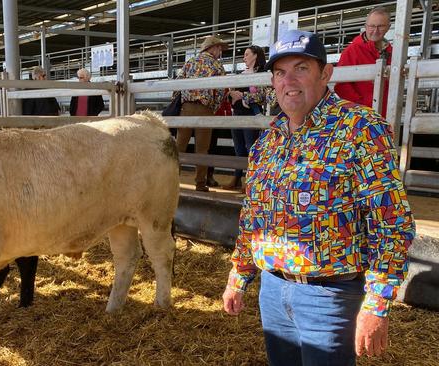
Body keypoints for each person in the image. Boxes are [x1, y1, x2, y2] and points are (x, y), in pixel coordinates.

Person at [222, 30, 415, 366]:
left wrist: (377, 303)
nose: (289, 80)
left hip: (329, 296)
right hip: (271, 289)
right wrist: (238, 277)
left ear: (326, 74)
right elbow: (252, 217)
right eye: (280, 72)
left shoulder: (360, 128)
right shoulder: (267, 142)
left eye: (301, 68)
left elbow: (392, 222)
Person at [176, 35, 228, 192]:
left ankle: (172, 179)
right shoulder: (217, 65)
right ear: (212, 48)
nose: (220, 51)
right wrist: (213, 107)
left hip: (186, 108)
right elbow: (221, 91)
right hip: (205, 109)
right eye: (219, 48)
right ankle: (200, 183)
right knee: (202, 148)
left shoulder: (190, 62)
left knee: (180, 146)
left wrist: (180, 103)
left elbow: (178, 83)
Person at [223, 45, 268, 191]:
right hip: (237, 112)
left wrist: (242, 95)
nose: (244, 57)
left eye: (247, 54)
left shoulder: (262, 73)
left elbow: (263, 96)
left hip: (250, 114)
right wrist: (232, 95)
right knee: (238, 147)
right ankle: (237, 177)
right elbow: (232, 92)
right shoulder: (242, 73)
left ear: (255, 55)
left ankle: (250, 180)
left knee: (250, 147)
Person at [334, 6, 392, 116]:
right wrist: (362, 108)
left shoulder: (392, 52)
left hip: (386, 114)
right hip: (361, 116)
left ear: (388, 27)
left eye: (380, 26)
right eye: (372, 26)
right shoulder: (352, 50)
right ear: (365, 26)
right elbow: (341, 86)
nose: (375, 31)